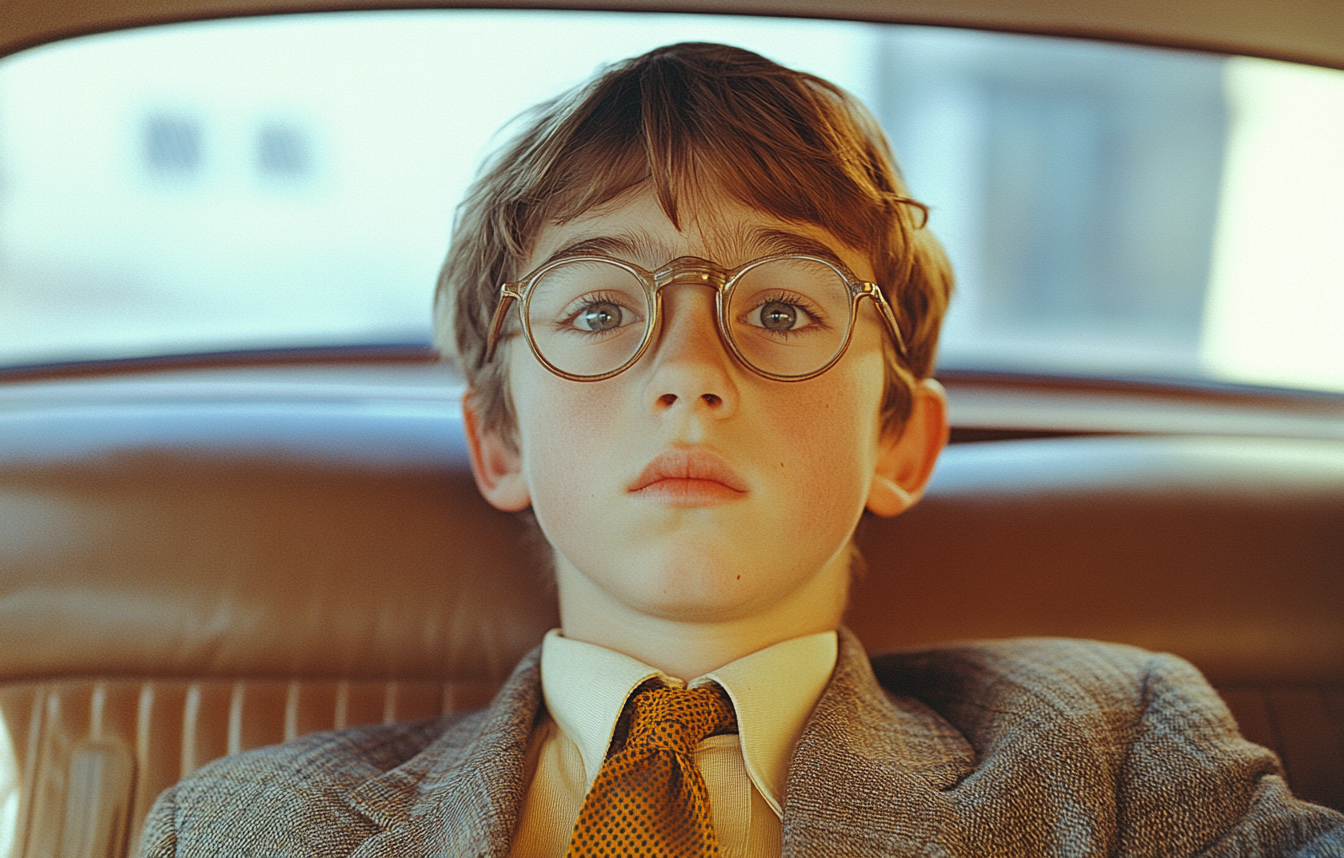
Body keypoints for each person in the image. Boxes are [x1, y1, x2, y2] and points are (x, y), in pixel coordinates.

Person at [137, 42, 1343, 856]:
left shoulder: (1109, 747)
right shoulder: (250, 823)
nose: (688, 372)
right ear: (497, 437)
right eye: (600, 309)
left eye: (780, 311)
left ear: (900, 439)